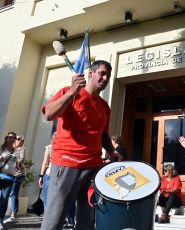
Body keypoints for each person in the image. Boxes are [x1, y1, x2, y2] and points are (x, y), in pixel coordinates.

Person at [40, 60, 123, 230]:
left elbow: (103, 134)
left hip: (93, 166)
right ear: (90, 73)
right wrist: (71, 92)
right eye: (102, 73)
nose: (105, 78)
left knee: (88, 218)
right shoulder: (68, 92)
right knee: (55, 217)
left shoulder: (104, 106)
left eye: (108, 75)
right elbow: (48, 114)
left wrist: (112, 151)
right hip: (67, 163)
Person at [4, 135, 26, 224]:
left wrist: (12, 164)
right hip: (9, 174)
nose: (19, 141)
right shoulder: (11, 149)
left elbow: (21, 160)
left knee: (13, 194)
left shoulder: (22, 149)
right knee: (9, 193)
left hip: (18, 174)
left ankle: (14, 215)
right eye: (18, 139)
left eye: (22, 140)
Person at [0, 132, 19, 230]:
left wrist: (17, 167)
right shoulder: (1, 149)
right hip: (0, 176)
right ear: (6, 138)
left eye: (14, 137)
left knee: (4, 200)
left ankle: (0, 221)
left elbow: (16, 164)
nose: (12, 139)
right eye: (10, 137)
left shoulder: (15, 151)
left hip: (9, 178)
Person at [38, 132, 56, 209]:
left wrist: (41, 176)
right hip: (63, 174)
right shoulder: (67, 148)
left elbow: (45, 163)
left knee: (47, 198)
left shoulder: (49, 147)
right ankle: (68, 220)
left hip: (50, 173)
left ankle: (47, 218)